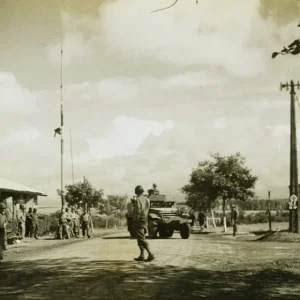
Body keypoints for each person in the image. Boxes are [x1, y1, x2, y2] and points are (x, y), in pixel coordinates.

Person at [132, 185, 155, 262]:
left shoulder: (138, 199)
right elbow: (147, 209)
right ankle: (142, 255)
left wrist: (136, 220)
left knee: (141, 239)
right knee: (140, 238)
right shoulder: (147, 199)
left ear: (136, 192)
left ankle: (151, 254)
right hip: (145, 219)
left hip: (139, 220)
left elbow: (138, 211)